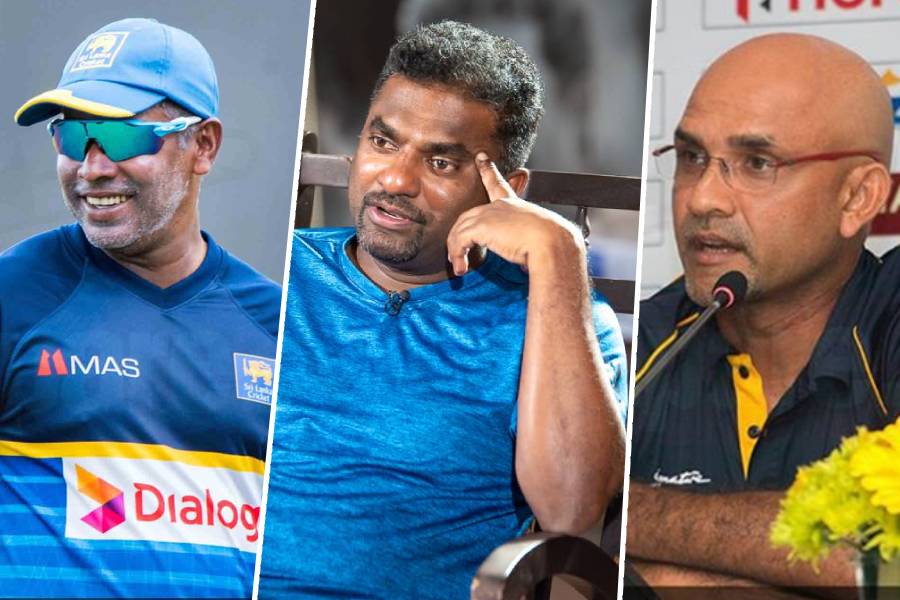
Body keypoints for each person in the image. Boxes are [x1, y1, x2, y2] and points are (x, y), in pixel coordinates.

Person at [258, 20, 628, 599]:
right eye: (383, 143)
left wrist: (559, 255)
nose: (395, 179)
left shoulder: (553, 318)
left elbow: (572, 511)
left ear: (507, 191)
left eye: (441, 163)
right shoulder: (276, 270)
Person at [0, 18, 280, 598]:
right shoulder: (14, 292)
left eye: (123, 137)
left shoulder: (277, 326)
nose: (93, 168)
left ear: (203, 145)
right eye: (73, 137)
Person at [628, 33, 900, 592]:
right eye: (692, 158)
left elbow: (880, 561)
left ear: (858, 197)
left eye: (757, 163)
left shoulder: (890, 316)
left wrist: (633, 516)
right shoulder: (646, 342)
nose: (703, 198)